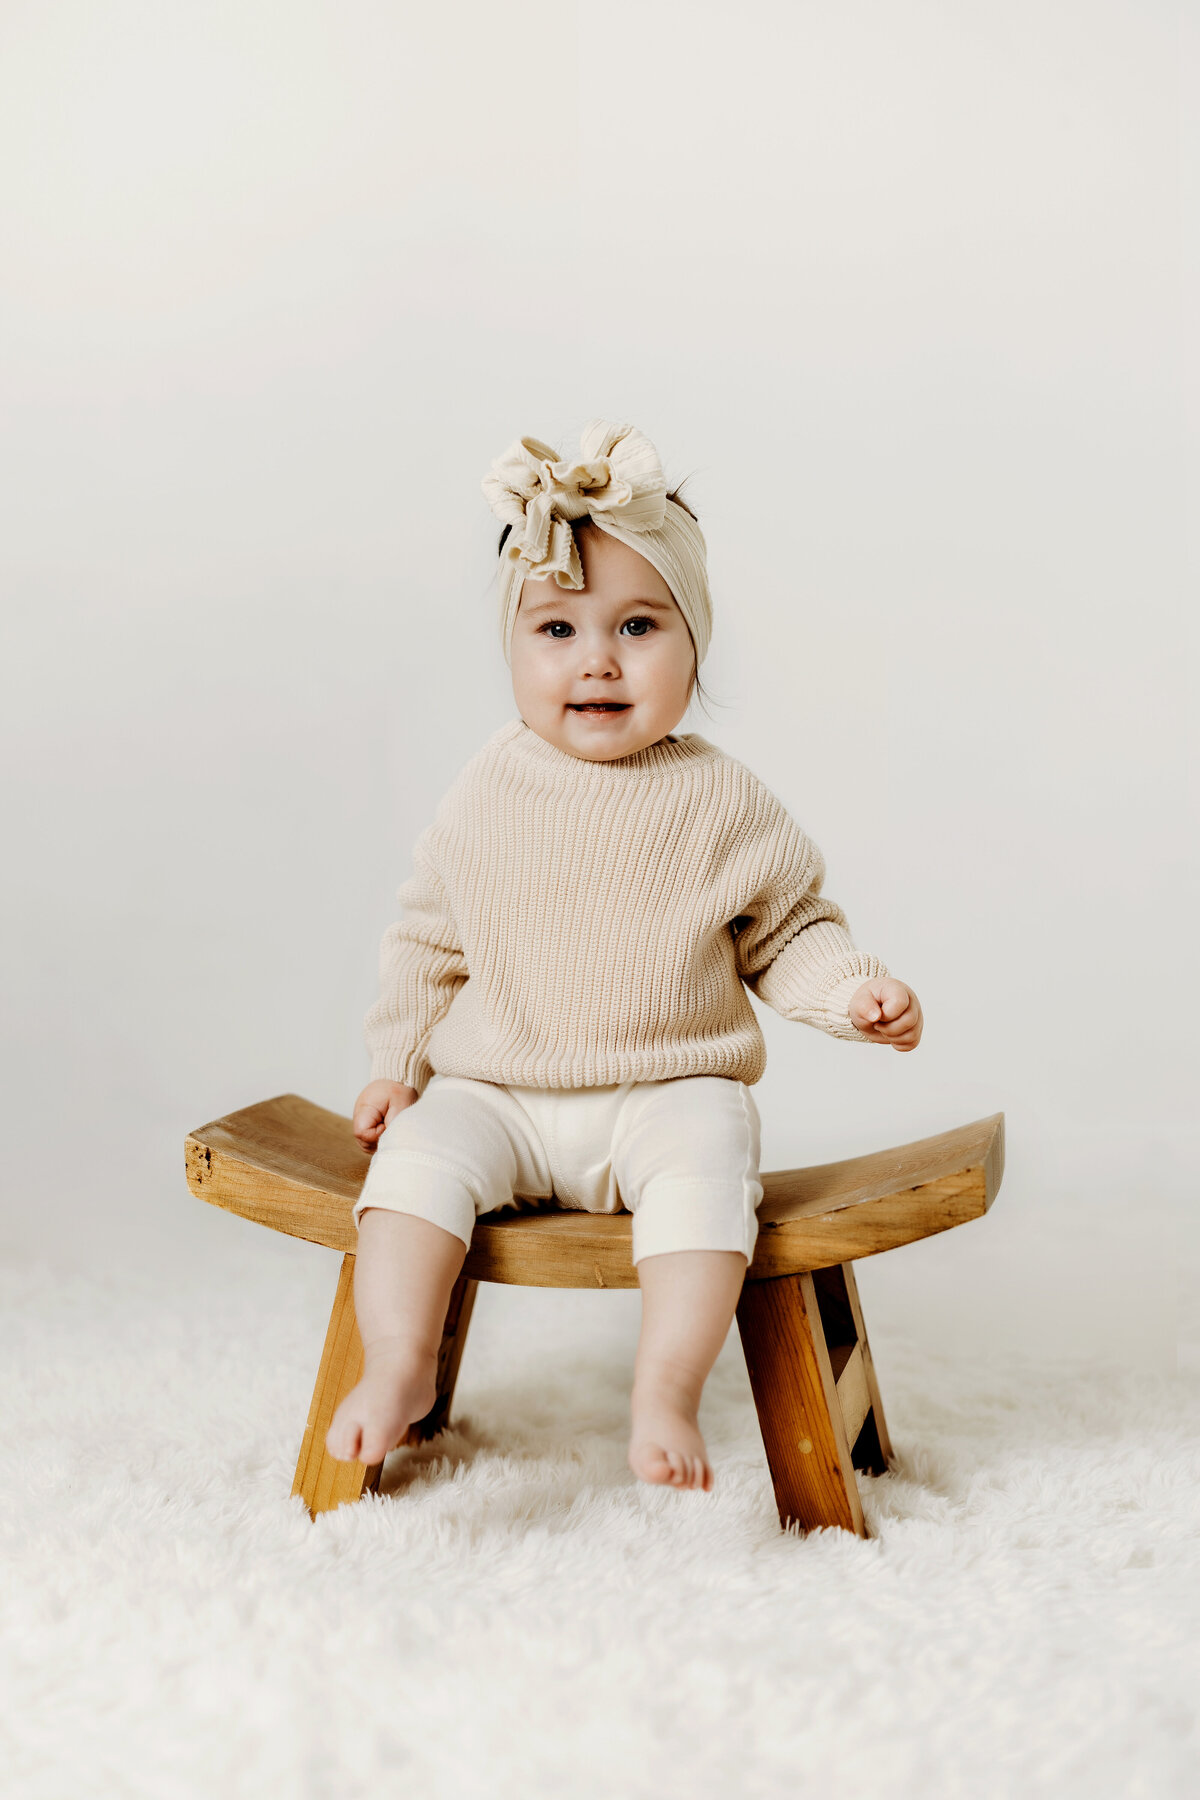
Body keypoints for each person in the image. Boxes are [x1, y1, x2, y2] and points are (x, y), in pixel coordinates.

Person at [325, 419, 923, 1493]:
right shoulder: (488, 790)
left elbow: (787, 929)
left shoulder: (720, 798)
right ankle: (402, 1364)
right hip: (496, 1088)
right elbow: (429, 936)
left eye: (638, 626)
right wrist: (396, 1067)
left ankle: (666, 1388)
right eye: (555, 629)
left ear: (695, 648)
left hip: (667, 1088)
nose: (596, 659)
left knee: (708, 1166)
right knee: (414, 1168)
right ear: (513, 649)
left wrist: (852, 994)